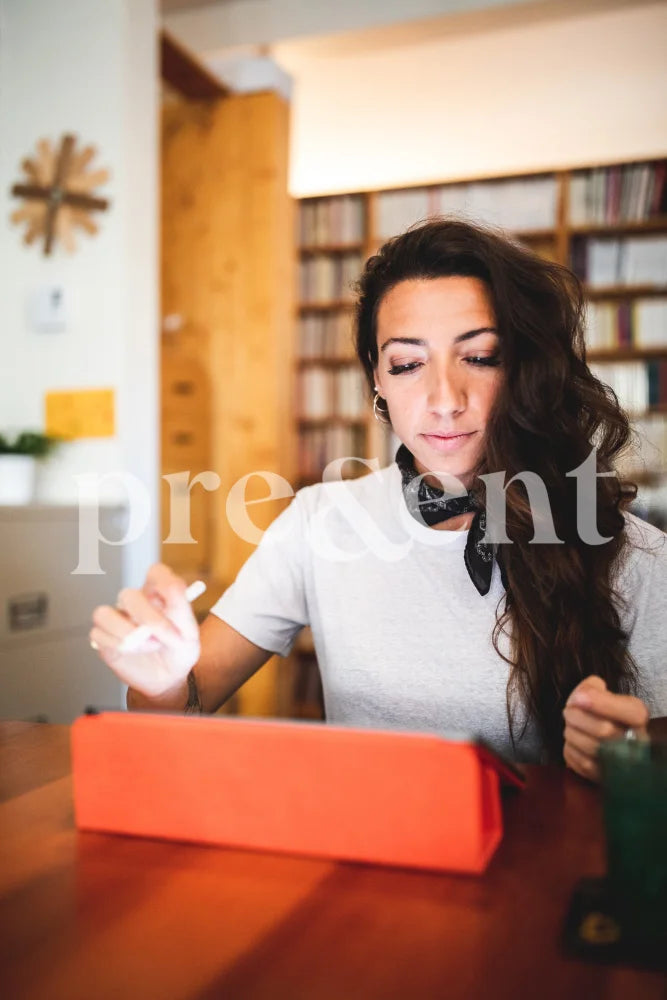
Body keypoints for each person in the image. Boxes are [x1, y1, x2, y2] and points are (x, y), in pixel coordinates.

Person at [90, 218, 666, 781]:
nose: (444, 399)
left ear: (526, 369)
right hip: (363, 865)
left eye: (481, 356)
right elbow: (176, 708)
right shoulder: (320, 521)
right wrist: (162, 678)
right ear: (378, 381)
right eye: (408, 364)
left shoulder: (635, 556)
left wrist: (634, 754)